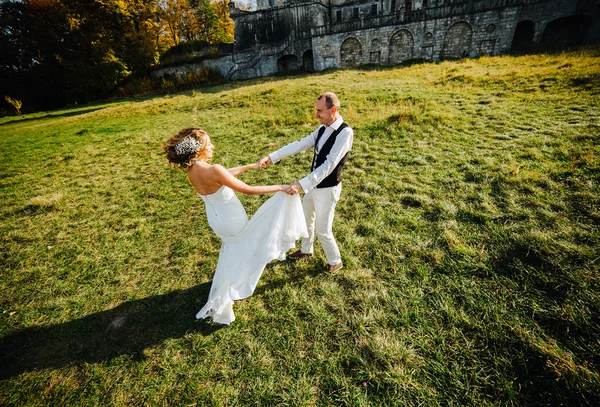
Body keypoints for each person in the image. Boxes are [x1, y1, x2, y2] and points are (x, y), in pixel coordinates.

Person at [165, 128, 308, 325]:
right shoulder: (213, 170)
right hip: (232, 220)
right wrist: (280, 187)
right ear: (198, 150)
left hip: (217, 221)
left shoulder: (193, 171)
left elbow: (223, 175)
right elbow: (247, 190)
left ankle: (228, 284)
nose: (213, 146)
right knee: (247, 247)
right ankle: (230, 289)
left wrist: (250, 166)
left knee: (233, 251)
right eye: (209, 143)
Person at [258, 92, 353, 273]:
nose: (316, 115)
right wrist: (272, 157)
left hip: (328, 189)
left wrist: (301, 184)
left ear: (333, 110)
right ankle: (306, 250)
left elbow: (329, 165)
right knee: (306, 219)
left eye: (320, 111)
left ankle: (335, 261)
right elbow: (300, 144)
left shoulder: (345, 133)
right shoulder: (322, 128)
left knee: (323, 229)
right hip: (313, 185)